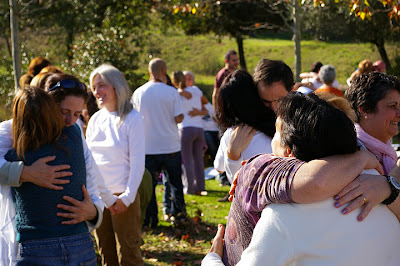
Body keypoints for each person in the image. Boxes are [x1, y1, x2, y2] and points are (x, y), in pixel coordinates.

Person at [203, 93, 400, 266]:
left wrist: (211, 259)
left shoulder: (283, 218)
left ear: (288, 151)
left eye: (275, 133)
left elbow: (316, 181)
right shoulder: (384, 192)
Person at [0, 73, 106, 266]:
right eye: (64, 111)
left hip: (79, 244)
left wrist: (93, 213)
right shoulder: (13, 130)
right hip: (35, 244)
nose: (71, 120)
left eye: (77, 114)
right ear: (49, 104)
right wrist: (26, 173)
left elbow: (92, 183)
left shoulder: (74, 134)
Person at [86, 64, 145, 265]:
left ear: (116, 85)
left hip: (123, 199)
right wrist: (102, 197)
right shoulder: (95, 120)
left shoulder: (132, 118)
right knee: (106, 254)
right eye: (94, 87)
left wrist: (126, 198)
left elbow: (138, 163)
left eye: (101, 85)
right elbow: (90, 161)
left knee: (129, 255)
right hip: (99, 198)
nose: (97, 92)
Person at [132, 58, 186, 228]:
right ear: (164, 71)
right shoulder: (171, 92)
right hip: (169, 144)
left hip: (148, 147)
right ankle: (179, 216)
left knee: (150, 186)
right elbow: (178, 118)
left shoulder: (139, 93)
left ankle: (150, 219)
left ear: (149, 72)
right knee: (175, 183)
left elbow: (133, 119)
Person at [171, 71, 207, 195]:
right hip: (199, 128)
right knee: (198, 159)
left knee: (187, 160)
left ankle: (189, 187)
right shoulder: (197, 90)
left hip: (185, 128)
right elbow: (205, 105)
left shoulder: (176, 94)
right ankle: (200, 186)